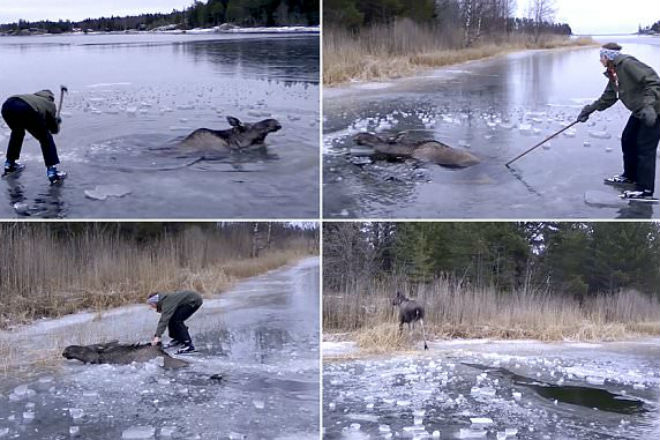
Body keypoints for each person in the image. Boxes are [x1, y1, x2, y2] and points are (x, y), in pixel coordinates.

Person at [577, 43, 660, 200]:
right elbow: (609, 96)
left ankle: (645, 189)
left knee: (645, 149)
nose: (600, 61)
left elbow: (653, 81)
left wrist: (649, 106)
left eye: (601, 57)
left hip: (655, 110)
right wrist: (590, 109)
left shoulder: (628, 64)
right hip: (640, 110)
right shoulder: (614, 72)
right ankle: (630, 176)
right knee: (628, 140)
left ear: (607, 57)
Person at [1, 90, 67, 183]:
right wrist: (57, 122)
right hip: (26, 109)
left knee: (17, 133)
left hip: (7, 106)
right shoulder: (49, 104)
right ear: (50, 98)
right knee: (45, 138)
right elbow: (53, 130)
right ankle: (52, 172)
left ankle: (10, 164)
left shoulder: (30, 97)